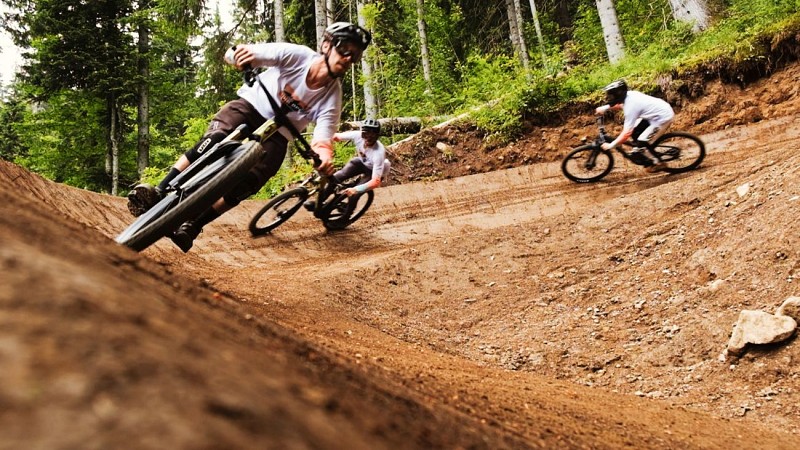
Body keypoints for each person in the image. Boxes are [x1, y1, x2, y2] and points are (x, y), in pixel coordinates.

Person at [127, 22, 372, 252]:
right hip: (250, 107)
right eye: (344, 49)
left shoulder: (332, 96)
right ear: (327, 46)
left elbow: (323, 135)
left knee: (252, 181)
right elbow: (243, 53)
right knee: (215, 137)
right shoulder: (297, 55)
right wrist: (238, 57)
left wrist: (323, 156)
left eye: (355, 55)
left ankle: (194, 225)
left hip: (279, 135)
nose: (348, 58)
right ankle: (158, 190)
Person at [304, 118, 391, 214]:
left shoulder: (378, 153)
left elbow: (376, 182)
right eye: (365, 134)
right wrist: (318, 144)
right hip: (362, 162)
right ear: (362, 133)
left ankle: (347, 215)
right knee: (336, 177)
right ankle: (319, 202)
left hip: (374, 172)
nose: (368, 138)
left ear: (377, 136)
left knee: (354, 194)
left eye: (372, 136)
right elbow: (335, 137)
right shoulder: (357, 135)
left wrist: (356, 189)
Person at [595, 79, 675, 172]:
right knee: (636, 133)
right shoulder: (629, 95)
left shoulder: (631, 108)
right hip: (656, 113)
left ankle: (659, 162)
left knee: (643, 141)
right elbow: (621, 105)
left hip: (662, 118)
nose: (609, 98)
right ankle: (643, 151)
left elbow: (626, 133)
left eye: (611, 96)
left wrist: (611, 145)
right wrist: (605, 107)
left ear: (618, 94)